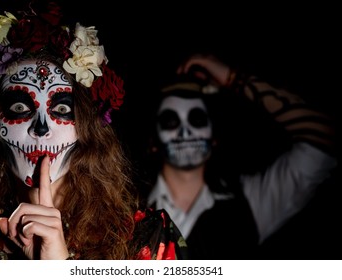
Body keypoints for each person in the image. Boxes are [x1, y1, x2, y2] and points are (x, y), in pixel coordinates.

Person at [0, 0, 187, 260]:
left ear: (86, 129)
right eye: (20, 107)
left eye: (62, 110)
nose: (41, 129)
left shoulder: (148, 239)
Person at [141, 53, 337, 259]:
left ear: (213, 135)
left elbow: (325, 139)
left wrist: (233, 79)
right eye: (170, 121)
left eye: (197, 119)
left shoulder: (251, 201)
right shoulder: (129, 207)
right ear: (153, 141)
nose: (185, 132)